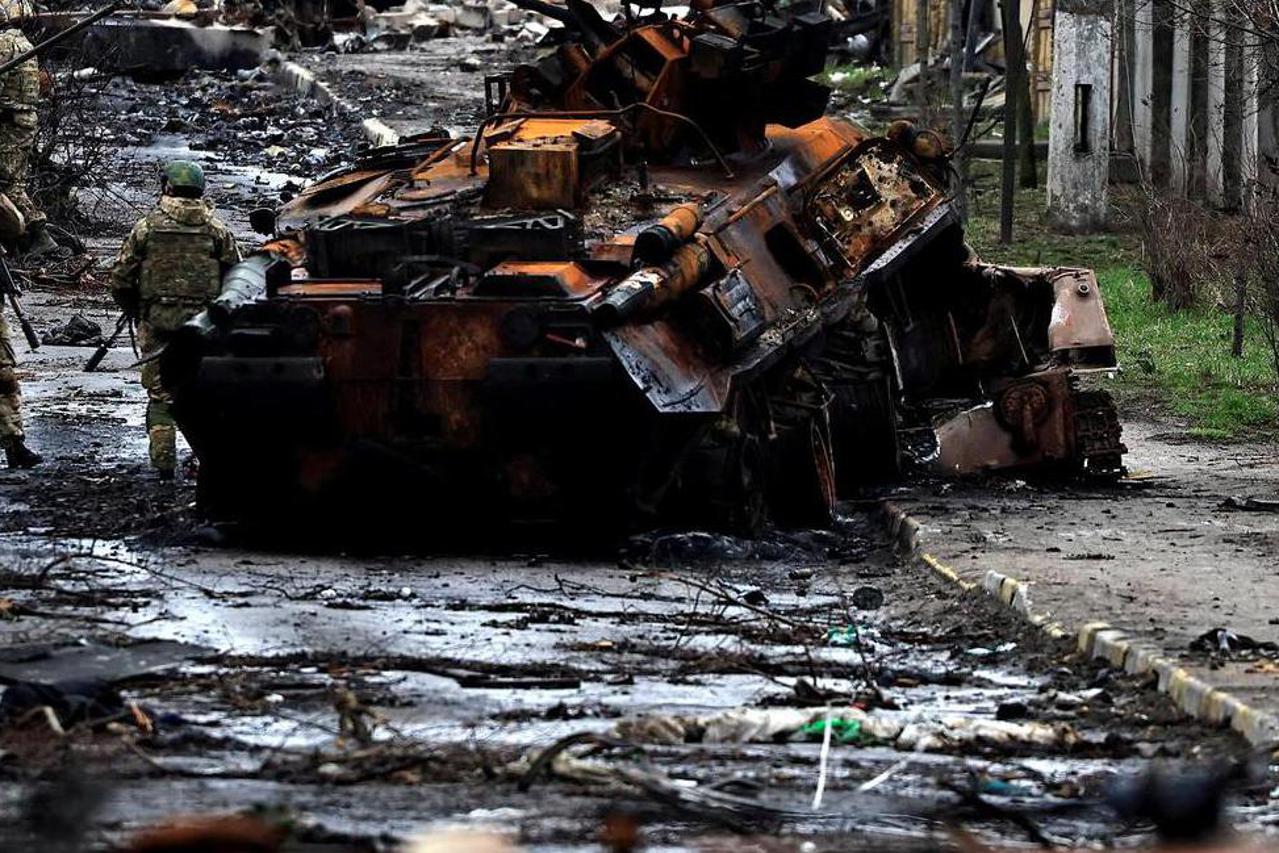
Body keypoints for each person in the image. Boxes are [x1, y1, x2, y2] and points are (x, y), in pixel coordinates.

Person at [110, 160, 240, 480]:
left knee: (160, 396)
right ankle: (213, 463)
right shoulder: (217, 230)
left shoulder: (147, 227)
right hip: (204, 329)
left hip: (157, 326)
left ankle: (164, 467)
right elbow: (236, 278)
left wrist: (136, 308)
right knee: (204, 394)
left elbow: (121, 278)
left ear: (167, 186)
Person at [0, 0, 58, 258]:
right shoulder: (23, 42)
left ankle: (38, 235)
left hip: (11, 121)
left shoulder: (2, 44)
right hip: (22, 120)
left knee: (9, 185)